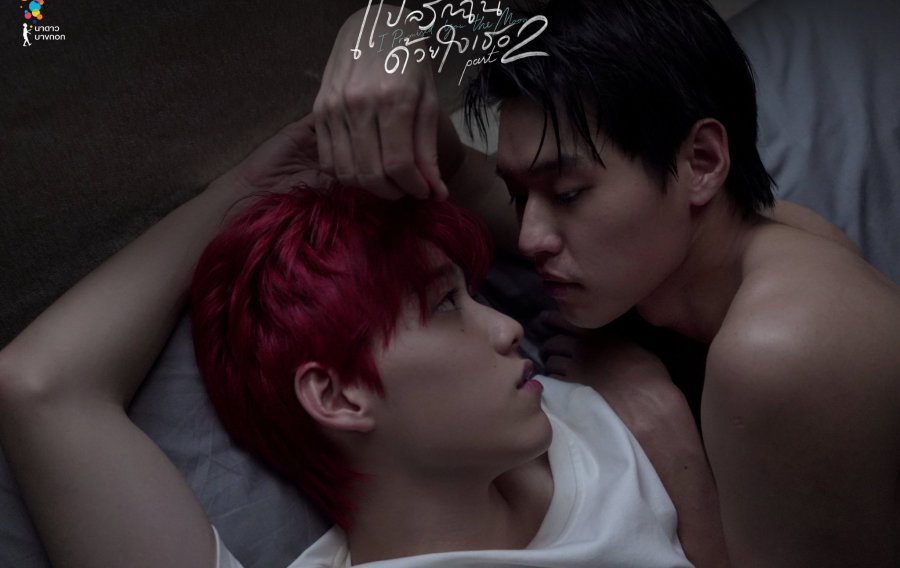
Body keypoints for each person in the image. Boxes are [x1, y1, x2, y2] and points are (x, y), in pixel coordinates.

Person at [312, 0, 900, 566]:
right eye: (519, 195)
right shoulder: (685, 248)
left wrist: (668, 436)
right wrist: (381, 33)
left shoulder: (781, 349)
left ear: (701, 162)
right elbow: (449, 169)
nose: (530, 237)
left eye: (567, 193)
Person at [0, 113, 724, 567]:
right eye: (446, 305)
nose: (509, 328)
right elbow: (40, 385)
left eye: (472, 294)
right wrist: (251, 186)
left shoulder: (596, 402)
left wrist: (674, 444)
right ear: (338, 393)